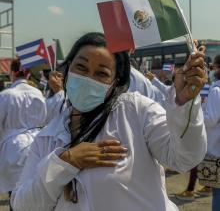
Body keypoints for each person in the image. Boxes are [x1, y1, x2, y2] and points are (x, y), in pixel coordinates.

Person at [11, 32, 207, 211]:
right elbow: (22, 206)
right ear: (67, 68)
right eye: (81, 67)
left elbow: (184, 158)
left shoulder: (136, 111)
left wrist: (184, 104)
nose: (88, 78)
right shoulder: (47, 137)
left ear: (114, 82)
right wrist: (66, 162)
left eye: (101, 73)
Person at [0, 59, 47, 200]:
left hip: (12, 146)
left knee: (14, 193)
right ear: (27, 75)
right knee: (30, 192)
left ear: (12, 73)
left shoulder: (6, 95)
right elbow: (44, 120)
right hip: (36, 145)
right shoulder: (38, 94)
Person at [202, 54, 220, 211]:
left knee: (218, 193)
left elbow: (210, 120)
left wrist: (200, 108)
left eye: (213, 66)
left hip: (217, 154)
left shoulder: (216, 90)